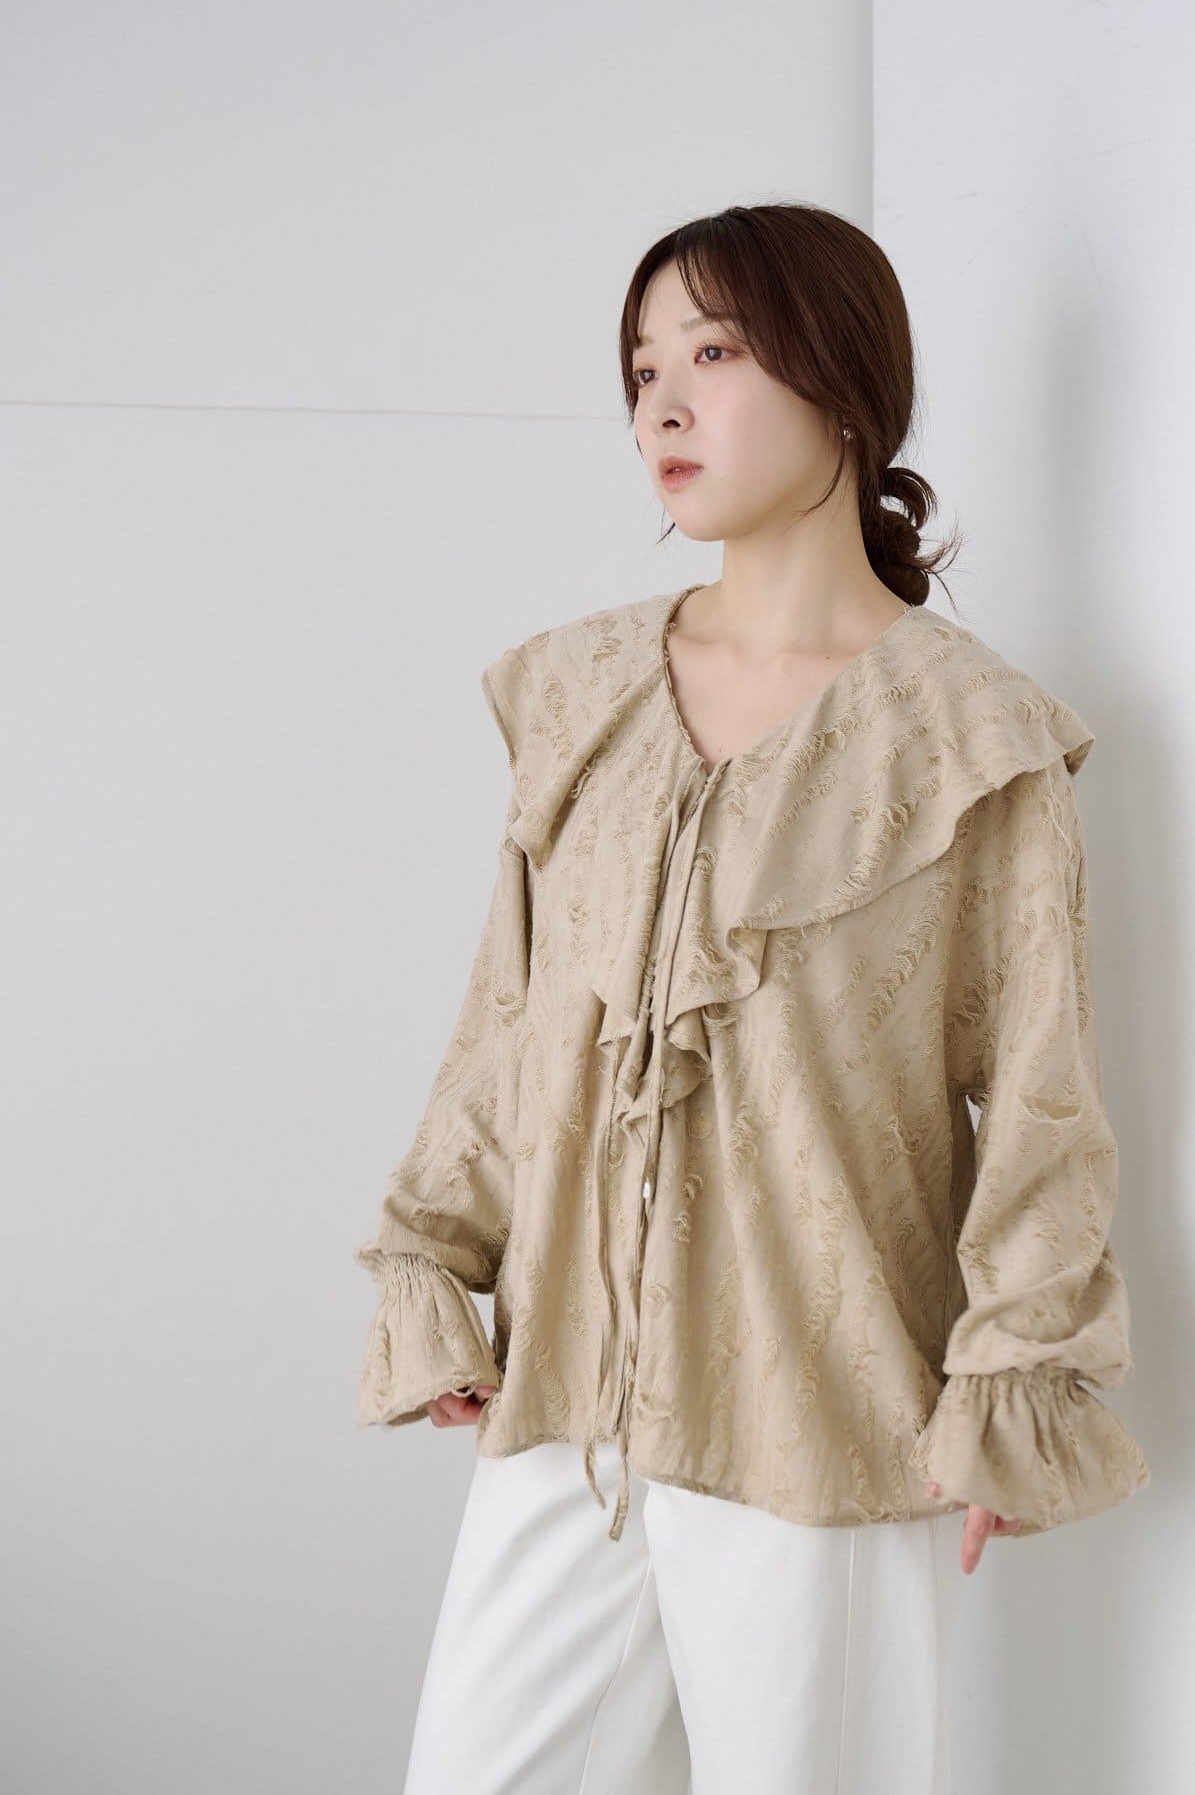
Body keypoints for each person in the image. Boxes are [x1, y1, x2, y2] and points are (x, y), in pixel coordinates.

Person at [354, 201, 1150, 1794]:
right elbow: (508, 1020)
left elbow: (1041, 1096)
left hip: (826, 1426)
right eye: (643, 368)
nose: (663, 403)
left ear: (843, 379)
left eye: (712, 353)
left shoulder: (969, 739)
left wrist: (1016, 1372)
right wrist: (438, 1257)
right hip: (568, 1406)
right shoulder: (578, 694)